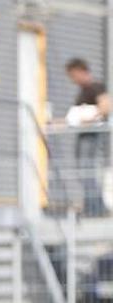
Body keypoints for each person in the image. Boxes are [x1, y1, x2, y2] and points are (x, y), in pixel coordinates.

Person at [67, 58, 110, 216]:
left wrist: (90, 118)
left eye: (73, 75)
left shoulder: (95, 87)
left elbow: (106, 107)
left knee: (87, 171)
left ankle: (96, 209)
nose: (72, 80)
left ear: (81, 71)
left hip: (91, 135)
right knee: (83, 171)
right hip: (83, 134)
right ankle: (93, 207)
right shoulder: (83, 92)